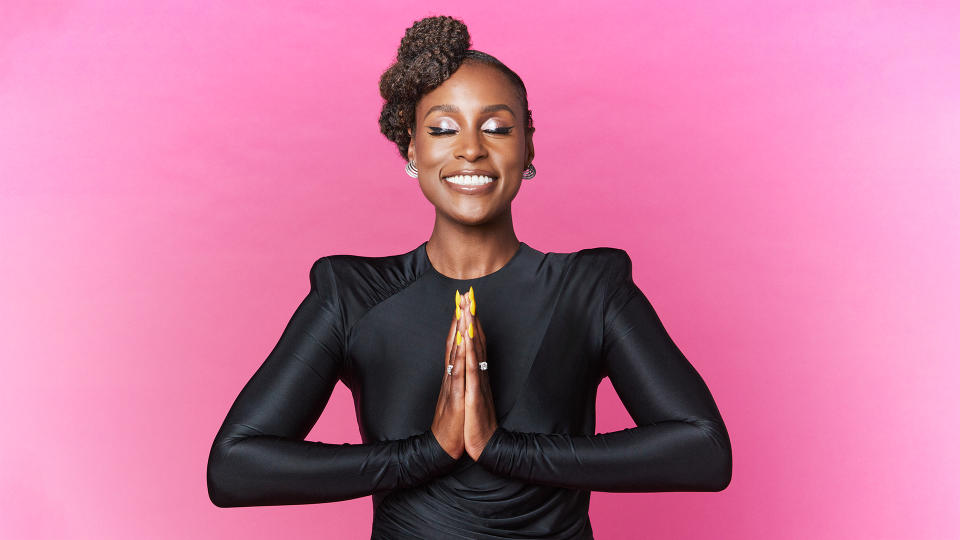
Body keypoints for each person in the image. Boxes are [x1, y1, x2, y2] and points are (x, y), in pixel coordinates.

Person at [206, 15, 732, 539]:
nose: (471, 149)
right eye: (442, 128)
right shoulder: (353, 296)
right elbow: (235, 469)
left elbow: (703, 453)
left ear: (528, 144)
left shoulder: (590, 290)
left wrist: (501, 448)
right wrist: (425, 453)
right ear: (412, 148)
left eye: (497, 128)